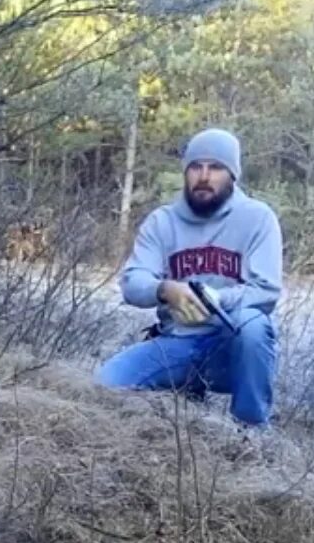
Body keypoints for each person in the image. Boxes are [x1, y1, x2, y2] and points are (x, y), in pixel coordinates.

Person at [95, 127, 283, 427]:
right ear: (186, 171)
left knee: (254, 326)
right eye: (196, 166)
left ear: (233, 174)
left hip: (231, 346)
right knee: (104, 382)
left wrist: (214, 299)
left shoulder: (257, 218)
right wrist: (165, 289)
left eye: (216, 167)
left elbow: (266, 291)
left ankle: (251, 430)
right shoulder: (162, 222)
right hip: (177, 342)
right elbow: (132, 282)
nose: (204, 176)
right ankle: (184, 397)